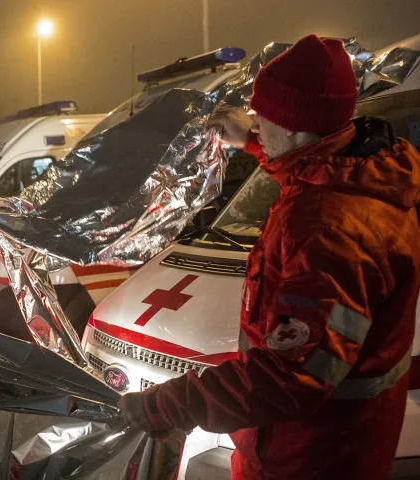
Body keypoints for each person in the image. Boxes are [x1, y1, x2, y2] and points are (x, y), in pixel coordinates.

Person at [118, 34, 420, 480]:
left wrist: (169, 405)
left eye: (263, 117)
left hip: (309, 457)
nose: (256, 124)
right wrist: (253, 144)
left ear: (296, 125)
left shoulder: (331, 230)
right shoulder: (355, 177)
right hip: (320, 442)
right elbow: (311, 169)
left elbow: (288, 377)